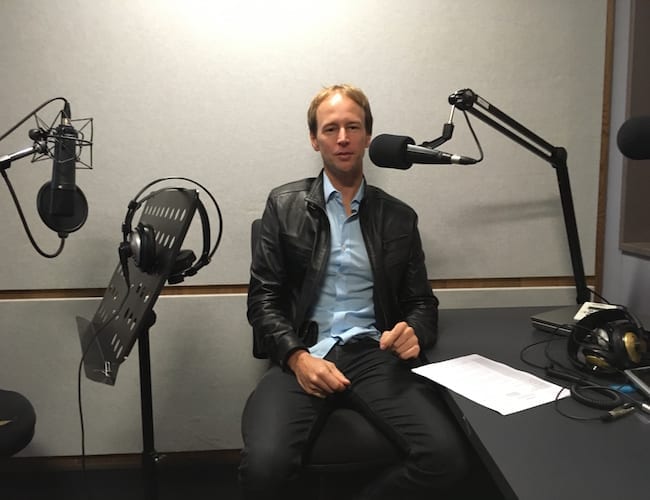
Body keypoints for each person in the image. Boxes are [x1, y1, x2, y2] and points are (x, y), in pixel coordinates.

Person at [239, 84, 470, 499]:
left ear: (367, 136)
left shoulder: (398, 216)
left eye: (352, 127)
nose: (342, 138)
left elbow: (422, 302)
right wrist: (295, 357)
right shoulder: (283, 204)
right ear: (315, 139)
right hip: (305, 353)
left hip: (373, 355)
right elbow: (263, 299)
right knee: (263, 469)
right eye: (330, 129)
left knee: (447, 459)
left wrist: (415, 329)